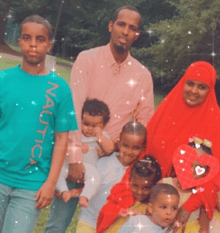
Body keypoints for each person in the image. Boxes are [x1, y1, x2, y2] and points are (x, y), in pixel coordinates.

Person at [45, 6, 154, 232]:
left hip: (114, 164)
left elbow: (144, 122)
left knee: (103, 224)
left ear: (137, 35)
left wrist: (121, 149)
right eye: (121, 24)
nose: (125, 31)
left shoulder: (142, 75)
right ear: (110, 26)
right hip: (80, 153)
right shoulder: (87, 59)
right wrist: (75, 157)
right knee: (57, 224)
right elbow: (72, 108)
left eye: (132, 28)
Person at [97, 61, 220, 233]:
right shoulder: (166, 109)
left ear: (210, 90)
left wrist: (187, 208)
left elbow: (213, 177)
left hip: (179, 208)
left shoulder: (217, 126)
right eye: (190, 83)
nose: (194, 91)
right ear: (183, 82)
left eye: (202, 87)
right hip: (146, 197)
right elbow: (144, 150)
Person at [0, 15, 77, 233]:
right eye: (27, 38)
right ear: (20, 42)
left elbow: (62, 138)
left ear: (49, 45)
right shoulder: (3, 80)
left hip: (31, 186)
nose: (33, 44)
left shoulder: (60, 89)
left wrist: (51, 183)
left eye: (40, 39)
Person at [76, 121, 147, 233]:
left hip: (113, 225)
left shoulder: (138, 172)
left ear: (143, 148)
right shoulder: (103, 163)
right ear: (119, 142)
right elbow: (90, 185)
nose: (129, 151)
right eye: (126, 145)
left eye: (135, 148)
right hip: (89, 220)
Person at [55, 98, 114, 206]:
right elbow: (64, 144)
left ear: (104, 126)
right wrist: (77, 147)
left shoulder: (102, 136)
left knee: (96, 178)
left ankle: (84, 197)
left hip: (88, 168)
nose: (90, 129)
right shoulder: (76, 134)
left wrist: (100, 136)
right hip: (69, 165)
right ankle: (63, 191)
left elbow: (110, 148)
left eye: (95, 126)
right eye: (86, 124)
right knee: (57, 171)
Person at [161, 138, 214, 233]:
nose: (192, 170)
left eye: (199, 168)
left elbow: (204, 229)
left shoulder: (201, 196)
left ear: (205, 173)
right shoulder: (164, 184)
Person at [102, 155, 162, 233]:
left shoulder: (152, 208)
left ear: (154, 186)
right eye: (135, 186)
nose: (139, 192)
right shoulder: (123, 196)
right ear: (130, 181)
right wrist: (125, 212)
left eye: (146, 188)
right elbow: (106, 213)